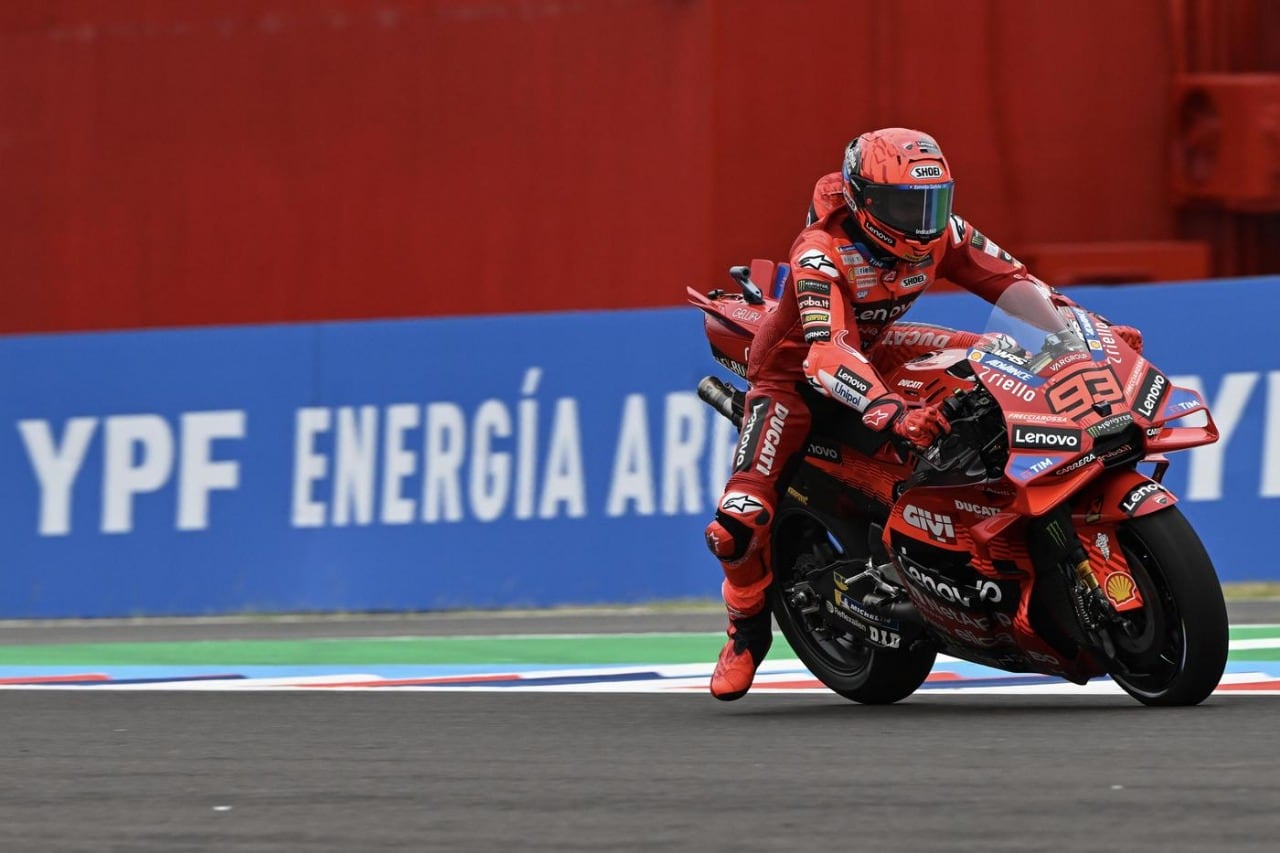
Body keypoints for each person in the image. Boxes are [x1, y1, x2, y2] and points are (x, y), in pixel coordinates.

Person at [705, 127, 1143, 700]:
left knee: (996, 357)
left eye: (932, 202)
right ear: (863, 201)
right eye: (904, 205)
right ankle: (745, 630)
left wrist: (1082, 333)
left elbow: (1015, 283)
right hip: (795, 378)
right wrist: (890, 410)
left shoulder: (946, 233)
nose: (921, 220)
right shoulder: (820, 252)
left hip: (880, 344)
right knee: (738, 520)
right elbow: (826, 352)